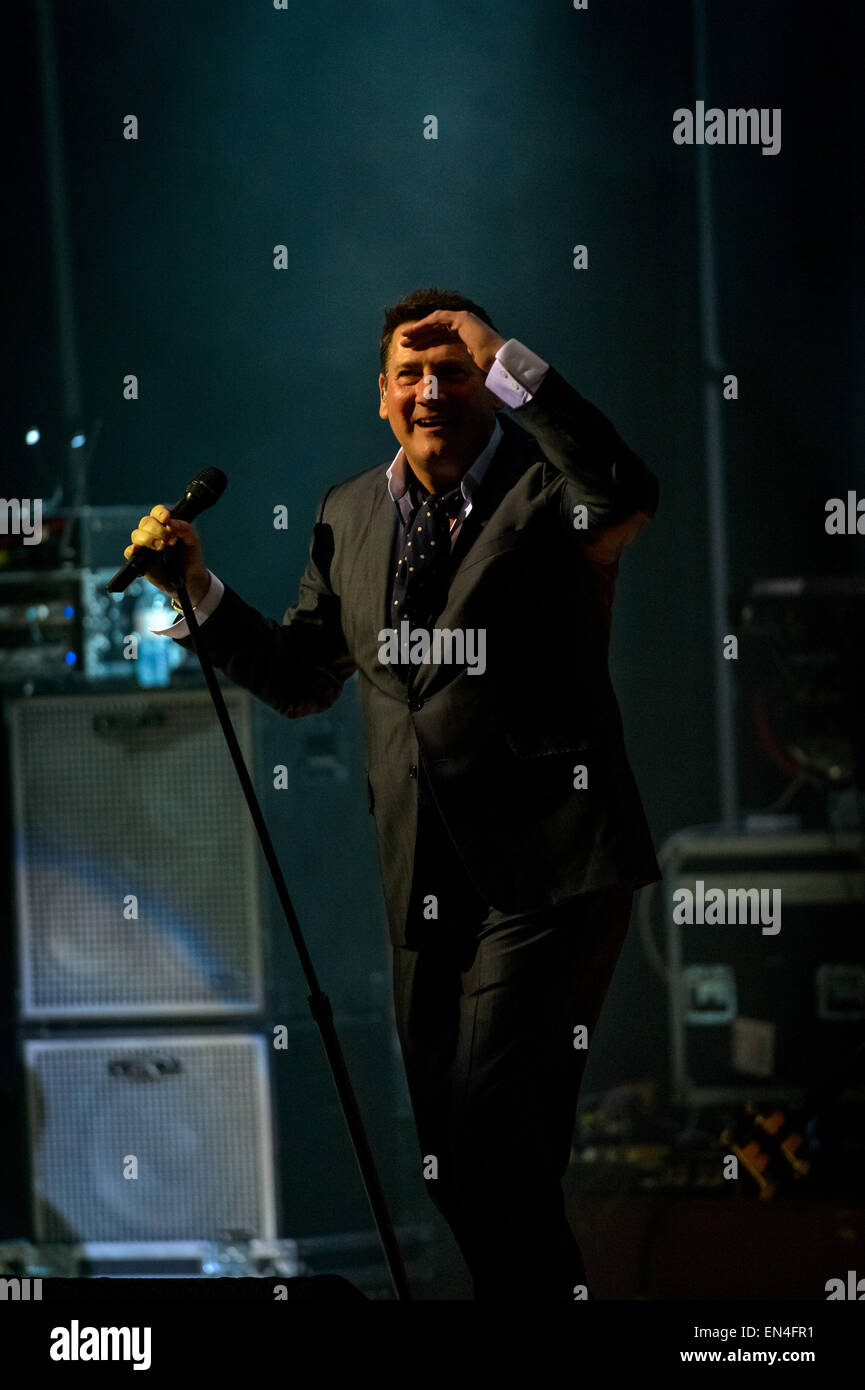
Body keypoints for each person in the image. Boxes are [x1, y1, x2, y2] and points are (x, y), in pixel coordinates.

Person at [125, 287, 661, 1300]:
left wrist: (507, 353)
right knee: (462, 1168)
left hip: (549, 868)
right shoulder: (346, 512)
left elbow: (626, 490)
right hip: (423, 882)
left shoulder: (548, 493)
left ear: (490, 388)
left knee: (492, 1141)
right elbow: (300, 677)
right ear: (381, 398)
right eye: (410, 373)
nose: (430, 388)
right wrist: (196, 587)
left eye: (453, 368)